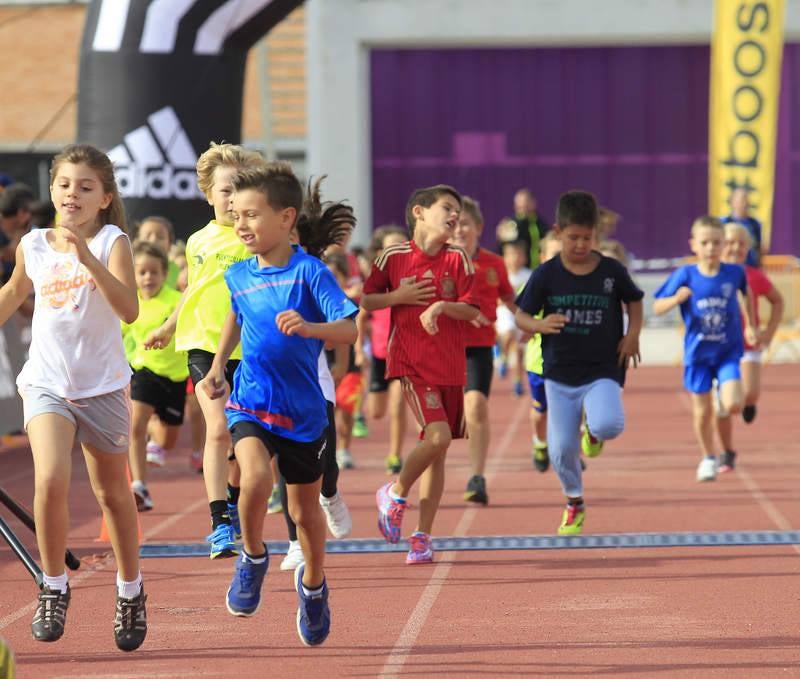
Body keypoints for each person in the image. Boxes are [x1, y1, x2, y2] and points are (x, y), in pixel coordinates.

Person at [199, 164, 358, 647]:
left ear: (287, 218)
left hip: (304, 414)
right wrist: (216, 366)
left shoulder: (310, 272)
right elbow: (235, 314)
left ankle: (313, 587)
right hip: (250, 402)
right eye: (235, 215)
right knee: (253, 478)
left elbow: (349, 329)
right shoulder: (239, 273)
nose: (240, 224)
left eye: (251, 215)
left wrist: (311, 329)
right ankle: (252, 557)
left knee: (305, 512)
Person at [0, 144, 147, 650]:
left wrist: (87, 258)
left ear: (105, 197)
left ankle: (129, 591)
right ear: (52, 190)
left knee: (113, 494)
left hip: (102, 386)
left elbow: (129, 310)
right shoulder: (33, 244)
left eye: (86, 187)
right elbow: (14, 294)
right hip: (46, 381)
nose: (72, 194)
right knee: (50, 480)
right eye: (65, 184)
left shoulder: (113, 242)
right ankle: (53, 586)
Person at [146, 142, 266, 559]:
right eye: (225, 190)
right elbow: (193, 292)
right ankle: (219, 524)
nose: (232, 199)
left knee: (245, 439)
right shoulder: (198, 242)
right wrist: (167, 325)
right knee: (218, 428)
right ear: (209, 194)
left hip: (250, 348)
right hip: (202, 345)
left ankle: (232, 499)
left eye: (240, 189)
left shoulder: (257, 237)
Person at [515, 190, 643, 535]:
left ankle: (594, 433)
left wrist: (633, 335)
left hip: (603, 368)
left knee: (609, 424)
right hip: (559, 373)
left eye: (588, 238)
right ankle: (574, 501)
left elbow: (634, 301)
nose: (581, 244)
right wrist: (539, 325)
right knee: (560, 449)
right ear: (558, 231)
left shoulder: (612, 271)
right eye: (573, 237)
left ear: (597, 235)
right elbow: (521, 316)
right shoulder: (546, 275)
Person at [363, 184, 479, 564]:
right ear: (419, 212)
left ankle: (422, 536)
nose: (454, 217)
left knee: (438, 450)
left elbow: (471, 308)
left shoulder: (458, 259)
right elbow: (367, 298)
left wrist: (442, 307)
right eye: (447, 208)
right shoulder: (394, 256)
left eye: (457, 212)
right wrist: (397, 298)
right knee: (439, 436)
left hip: (450, 366)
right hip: (412, 363)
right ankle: (395, 492)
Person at [653, 216, 756, 482]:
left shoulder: (734, 273)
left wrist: (751, 326)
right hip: (698, 355)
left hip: (726, 351)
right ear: (694, 245)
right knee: (702, 412)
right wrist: (676, 299)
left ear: (724, 244)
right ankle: (709, 457)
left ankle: (724, 397)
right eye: (705, 242)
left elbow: (746, 295)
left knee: (734, 403)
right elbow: (657, 306)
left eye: (716, 242)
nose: (711, 247)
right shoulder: (685, 275)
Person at [450, 196, 516, 505]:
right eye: (454, 224)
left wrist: (532, 322)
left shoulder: (494, 263)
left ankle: (477, 477)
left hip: (478, 347)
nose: (460, 230)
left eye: (465, 224)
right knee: (438, 422)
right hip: (440, 347)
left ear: (479, 227)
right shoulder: (437, 261)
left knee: (475, 407)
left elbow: (511, 301)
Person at [122, 241, 189, 510]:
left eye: (153, 272)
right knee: (135, 424)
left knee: (168, 441)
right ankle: (139, 485)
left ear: (164, 274)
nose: (148, 278)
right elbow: (117, 333)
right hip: (144, 370)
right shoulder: (130, 304)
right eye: (141, 272)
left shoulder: (175, 300)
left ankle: (154, 429)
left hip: (175, 376)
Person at [715, 222, 784, 471]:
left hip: (748, 345)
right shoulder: (710, 274)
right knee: (722, 406)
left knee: (749, 394)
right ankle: (726, 452)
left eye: (741, 244)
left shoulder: (753, 275)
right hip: (718, 348)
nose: (735, 248)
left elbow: (777, 301)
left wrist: (768, 333)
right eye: (730, 242)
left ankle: (750, 403)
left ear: (748, 249)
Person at [361, 225, 409, 474]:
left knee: (398, 404)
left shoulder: (415, 278)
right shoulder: (374, 281)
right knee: (377, 412)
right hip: (379, 354)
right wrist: (359, 350)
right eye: (392, 247)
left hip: (404, 355)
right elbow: (361, 315)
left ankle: (395, 454)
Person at [524, 233, 562, 473]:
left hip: (570, 361)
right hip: (539, 363)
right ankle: (540, 442)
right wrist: (537, 325)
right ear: (542, 257)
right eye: (553, 255)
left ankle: (568, 452)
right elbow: (522, 320)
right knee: (541, 412)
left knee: (572, 408)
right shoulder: (534, 285)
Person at [494, 239, 532, 394]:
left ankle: (517, 380)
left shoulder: (528, 275)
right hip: (505, 313)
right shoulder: (501, 274)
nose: (515, 258)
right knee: (509, 333)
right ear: (504, 257)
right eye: (511, 254)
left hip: (521, 313)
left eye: (519, 254)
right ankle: (502, 357)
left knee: (520, 350)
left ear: (524, 257)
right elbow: (495, 296)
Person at [495, 188, 549, 268]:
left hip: (538, 272)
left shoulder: (542, 225)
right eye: (519, 203)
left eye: (525, 203)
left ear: (533, 203)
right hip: (519, 273)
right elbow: (502, 250)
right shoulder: (511, 225)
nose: (522, 206)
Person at [720, 187, 764, 267]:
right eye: (741, 200)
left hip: (750, 266)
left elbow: (758, 248)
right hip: (729, 265)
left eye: (746, 200)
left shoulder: (755, 224)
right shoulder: (724, 222)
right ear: (732, 202)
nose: (744, 203)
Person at [134, 216, 181, 290]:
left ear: (170, 244)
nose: (153, 240)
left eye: (160, 237)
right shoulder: (130, 269)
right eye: (147, 236)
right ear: (137, 241)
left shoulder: (179, 271)